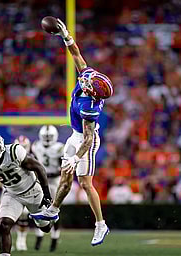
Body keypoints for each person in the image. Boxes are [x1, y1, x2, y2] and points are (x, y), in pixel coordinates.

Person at [32, 18, 113, 246]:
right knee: (65, 177)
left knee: (85, 183)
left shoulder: (90, 106)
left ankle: (100, 225)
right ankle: (53, 211)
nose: (84, 80)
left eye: (88, 82)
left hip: (86, 141)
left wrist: (77, 157)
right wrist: (65, 34)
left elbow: (88, 139)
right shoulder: (89, 78)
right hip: (74, 135)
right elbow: (76, 55)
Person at [0, 131, 55, 256]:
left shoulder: (14, 152)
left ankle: (51, 215)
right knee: (4, 225)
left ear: (0, 142)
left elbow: (39, 168)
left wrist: (47, 194)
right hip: (12, 194)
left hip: (33, 191)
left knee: (45, 228)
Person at [31, 125, 64, 252]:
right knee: (38, 208)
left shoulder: (59, 148)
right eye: (46, 137)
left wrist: (49, 174)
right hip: (40, 181)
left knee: (54, 210)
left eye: (50, 137)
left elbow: (63, 169)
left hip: (54, 182)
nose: (48, 139)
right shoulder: (36, 146)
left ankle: (55, 239)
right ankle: (39, 238)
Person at [12, 135, 32, 251]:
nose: (22, 150)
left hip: (26, 188)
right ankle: (2, 239)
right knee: (6, 216)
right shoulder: (9, 156)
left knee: (24, 213)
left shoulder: (32, 157)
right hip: (11, 189)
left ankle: (21, 238)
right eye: (20, 147)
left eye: (24, 147)